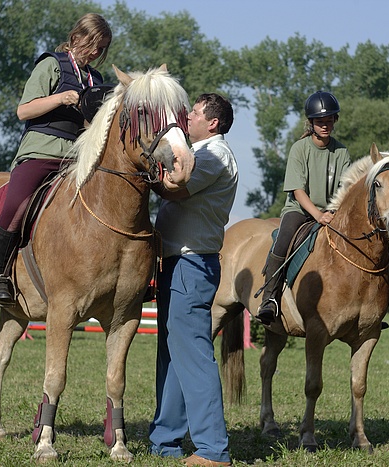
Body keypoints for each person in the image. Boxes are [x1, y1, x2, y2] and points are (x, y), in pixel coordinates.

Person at [0, 13, 112, 307]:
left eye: (101, 48)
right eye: (93, 44)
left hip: (77, 158)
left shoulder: (98, 79)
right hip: (41, 151)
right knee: (15, 206)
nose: (96, 52)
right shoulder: (51, 64)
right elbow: (23, 111)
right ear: (76, 38)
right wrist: (60, 98)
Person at [149, 93, 237, 467]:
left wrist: (147, 177)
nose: (188, 117)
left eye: (195, 113)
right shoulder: (200, 149)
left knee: (194, 355)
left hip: (191, 264)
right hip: (177, 262)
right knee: (172, 352)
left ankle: (213, 450)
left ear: (212, 123)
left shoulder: (214, 154)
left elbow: (177, 187)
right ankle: (164, 440)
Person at [255, 91, 351, 325]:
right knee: (284, 237)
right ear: (311, 123)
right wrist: (318, 215)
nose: (325, 126)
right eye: (320, 122)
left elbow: (345, 189)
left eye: (329, 121)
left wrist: (334, 213)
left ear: (335, 121)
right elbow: (298, 191)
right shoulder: (299, 149)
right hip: (300, 210)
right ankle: (270, 298)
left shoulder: (342, 152)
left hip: (331, 213)